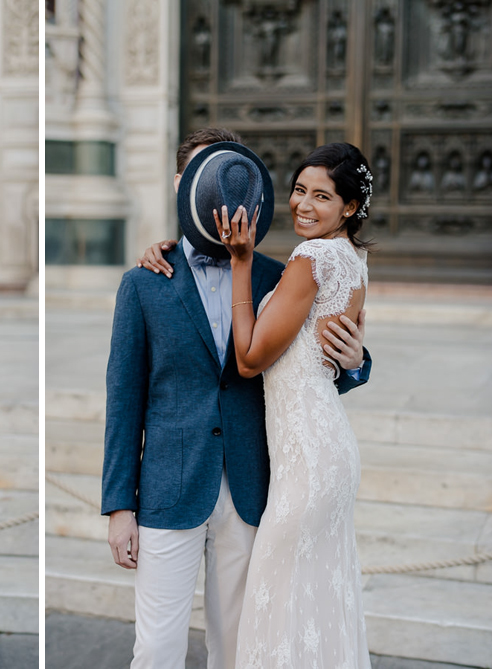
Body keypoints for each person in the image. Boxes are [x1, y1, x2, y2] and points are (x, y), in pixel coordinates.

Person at [102, 128, 370, 669]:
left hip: (256, 488)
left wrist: (356, 362)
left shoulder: (283, 272)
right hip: (168, 487)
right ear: (182, 184)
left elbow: (315, 364)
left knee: (239, 647)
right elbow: (123, 397)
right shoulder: (145, 282)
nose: (220, 195)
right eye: (203, 176)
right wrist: (117, 506)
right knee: (155, 649)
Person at [220, 143, 372, 666]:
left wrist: (241, 264)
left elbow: (250, 358)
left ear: (349, 207)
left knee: (279, 599)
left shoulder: (312, 257)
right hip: (326, 447)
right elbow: (331, 356)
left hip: (308, 458)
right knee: (315, 600)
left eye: (323, 196)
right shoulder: (355, 261)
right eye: (300, 190)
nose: (303, 205)